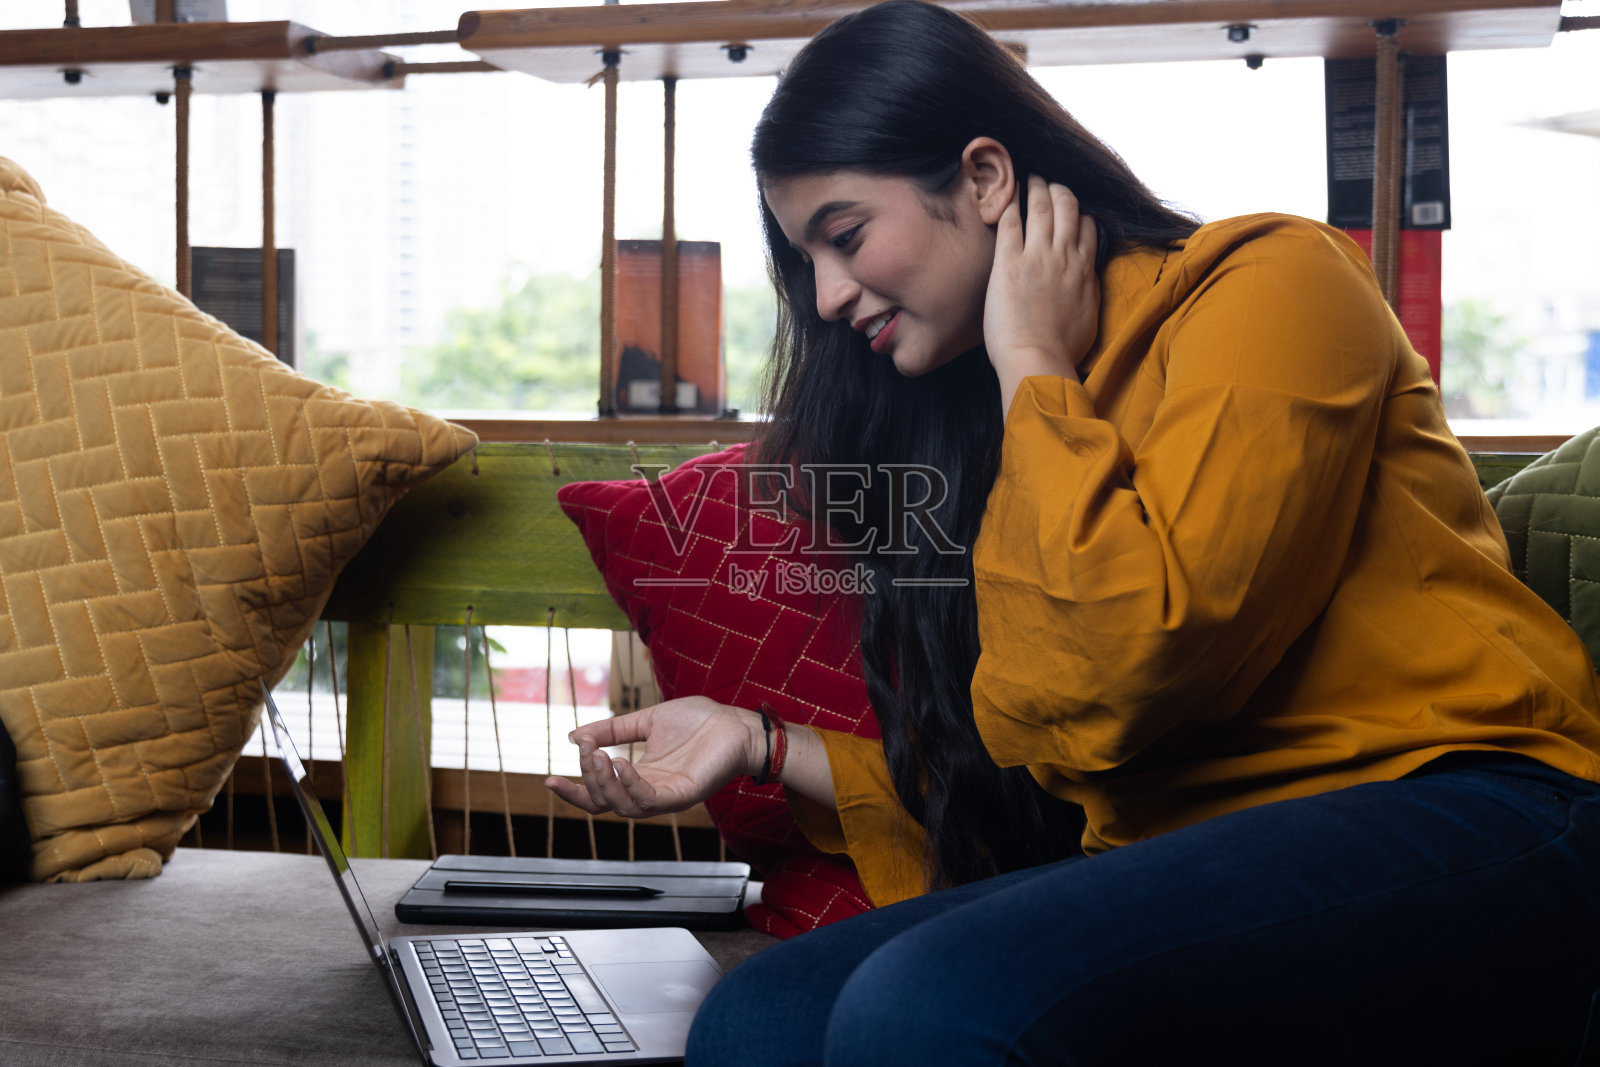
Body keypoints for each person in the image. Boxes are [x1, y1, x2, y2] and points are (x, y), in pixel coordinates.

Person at [546, 2, 1600, 1062]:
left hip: (1472, 808)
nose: (822, 297)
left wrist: (1034, 367)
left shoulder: (1274, 280)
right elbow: (1028, 767)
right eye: (803, 258)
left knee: (930, 1000)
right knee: (757, 1017)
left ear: (985, 178)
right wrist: (763, 739)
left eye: (846, 235)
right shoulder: (984, 415)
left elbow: (1131, 670)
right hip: (1182, 853)